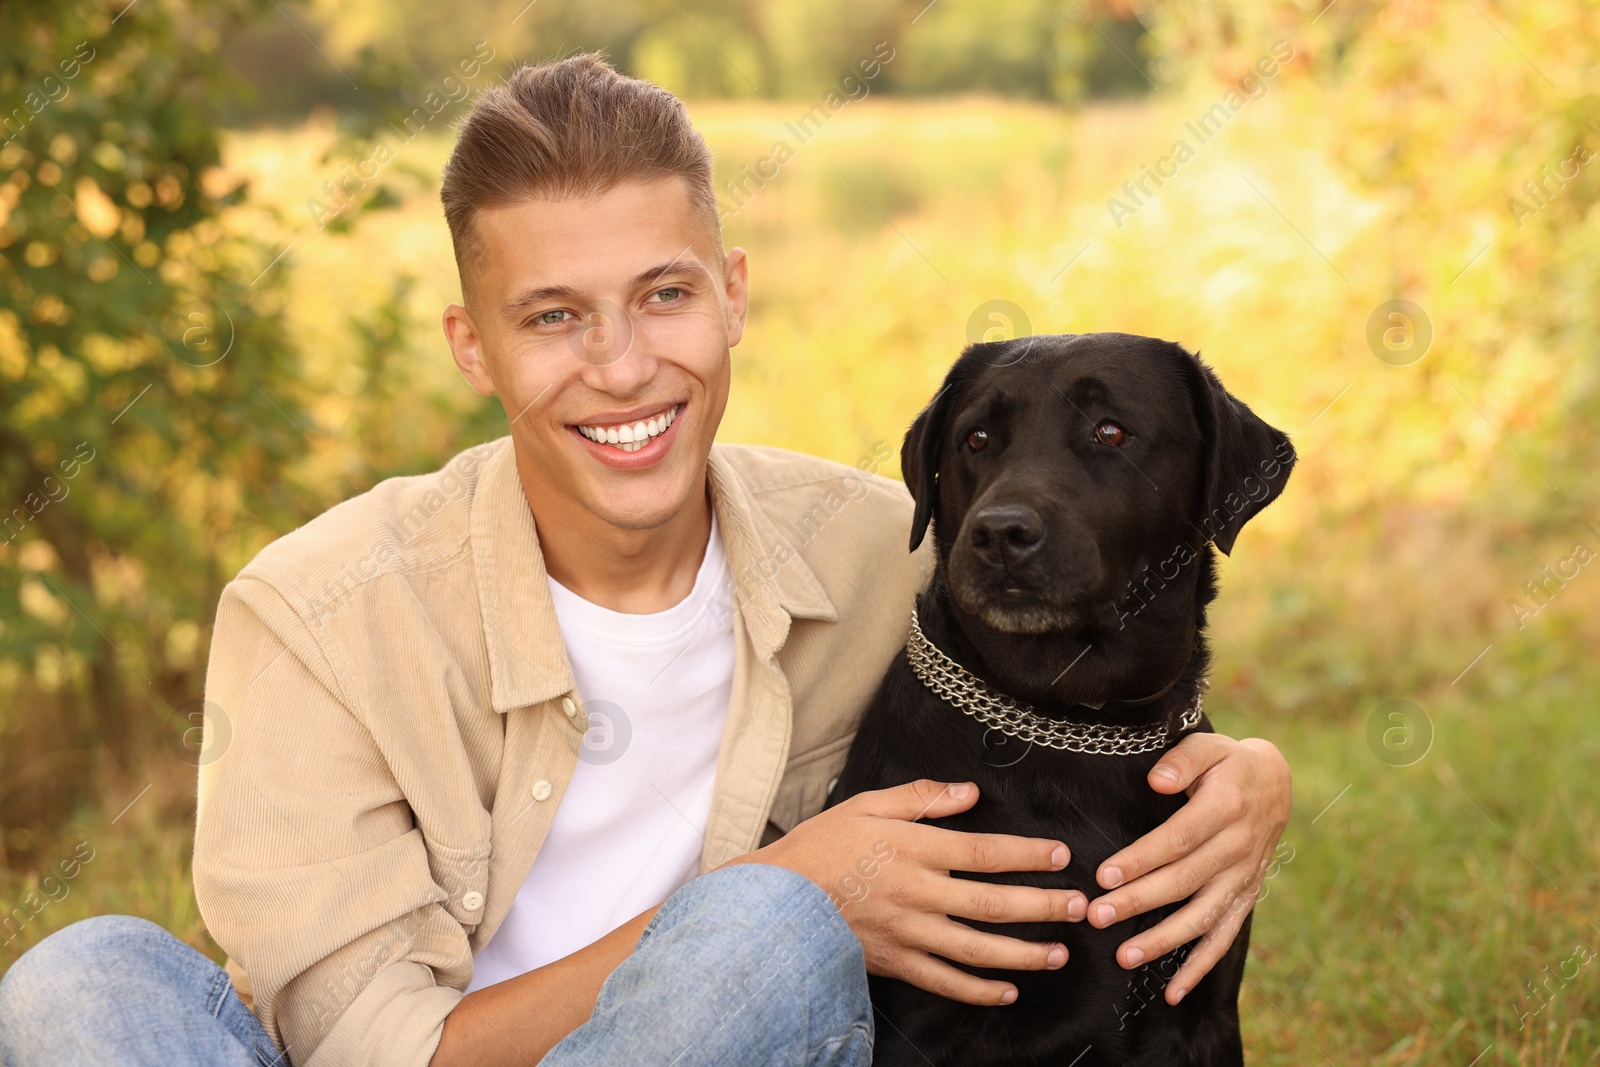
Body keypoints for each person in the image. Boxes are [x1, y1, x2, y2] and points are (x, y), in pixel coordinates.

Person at [0, 54, 1292, 1067]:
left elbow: (1093, 659)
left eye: (664, 296)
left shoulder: (882, 552)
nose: (622, 367)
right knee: (81, 978)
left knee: (762, 943)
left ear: (732, 294)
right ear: (473, 346)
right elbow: (364, 1053)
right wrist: (802, 888)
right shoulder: (319, 614)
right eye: (553, 317)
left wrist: (1249, 775)